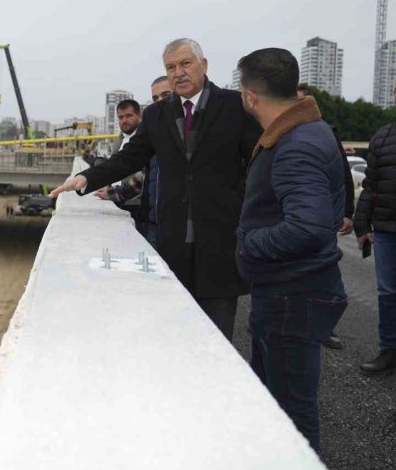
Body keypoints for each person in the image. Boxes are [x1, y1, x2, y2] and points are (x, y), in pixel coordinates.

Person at [50, 38, 262, 339]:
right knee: (174, 332)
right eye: (171, 67)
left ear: (204, 65)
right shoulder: (156, 115)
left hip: (220, 244)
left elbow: (258, 160)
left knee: (217, 337)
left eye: (185, 64)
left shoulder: (233, 107)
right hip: (172, 244)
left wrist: (246, 209)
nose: (178, 73)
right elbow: (130, 157)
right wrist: (87, 178)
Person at [235, 47, 347, 453]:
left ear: (249, 96)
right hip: (289, 292)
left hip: (292, 295)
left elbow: (309, 226)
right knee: (275, 405)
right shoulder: (306, 130)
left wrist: (249, 240)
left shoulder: (295, 143)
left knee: (291, 417)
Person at [297, 83, 354, 351]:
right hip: (287, 217)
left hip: (321, 219)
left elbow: (342, 174)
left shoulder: (325, 133)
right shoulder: (273, 133)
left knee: (324, 272)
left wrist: (347, 213)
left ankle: (326, 326)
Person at [95, 77, 171, 247]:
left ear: (140, 115)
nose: (124, 121)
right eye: (121, 117)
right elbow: (142, 172)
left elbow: (143, 174)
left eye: (129, 116)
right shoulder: (121, 138)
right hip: (143, 211)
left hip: (143, 209)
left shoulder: (149, 137)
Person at [354, 93, 396, 376]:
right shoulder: (382, 137)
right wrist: (360, 225)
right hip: (386, 230)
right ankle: (388, 351)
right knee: (387, 292)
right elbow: (370, 186)